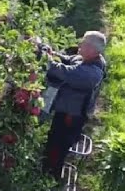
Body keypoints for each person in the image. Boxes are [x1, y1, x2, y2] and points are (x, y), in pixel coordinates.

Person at [39, 31, 108, 180]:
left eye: (83, 43)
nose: (79, 45)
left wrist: (45, 59)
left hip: (72, 116)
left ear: (92, 49)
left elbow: (64, 72)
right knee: (53, 139)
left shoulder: (91, 74)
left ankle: (51, 178)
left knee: (58, 146)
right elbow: (68, 60)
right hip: (66, 110)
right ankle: (46, 170)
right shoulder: (86, 58)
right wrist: (51, 52)